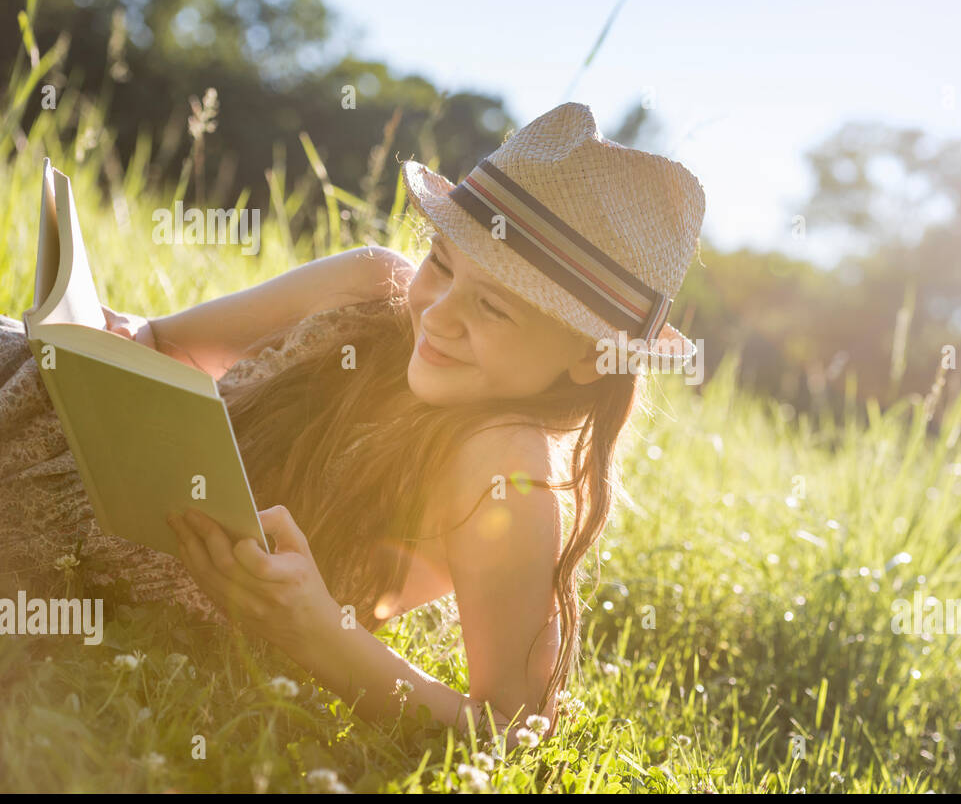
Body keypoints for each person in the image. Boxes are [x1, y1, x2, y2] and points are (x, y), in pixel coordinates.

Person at [0, 102, 705, 751]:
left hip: (72, 554)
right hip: (40, 410)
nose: (436, 313)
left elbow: (512, 728)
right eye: (441, 262)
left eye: (493, 308)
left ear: (589, 357)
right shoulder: (374, 285)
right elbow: (165, 342)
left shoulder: (508, 472)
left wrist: (312, 630)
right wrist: (108, 336)